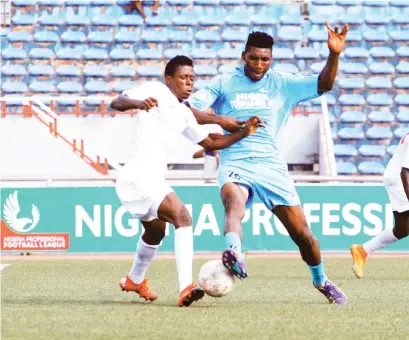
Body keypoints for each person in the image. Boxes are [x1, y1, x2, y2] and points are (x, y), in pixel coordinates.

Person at [186, 24, 349, 305]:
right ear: (243, 55)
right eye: (253, 58)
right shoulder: (224, 82)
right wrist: (221, 120)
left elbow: (324, 84)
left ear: (271, 59)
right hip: (235, 158)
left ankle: (321, 281)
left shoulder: (282, 83)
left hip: (271, 165)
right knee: (233, 202)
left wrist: (333, 55)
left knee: (304, 237)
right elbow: (188, 110)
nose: (259, 64)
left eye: (265, 59)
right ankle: (235, 253)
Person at [110, 55, 263, 307]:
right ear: (168, 79)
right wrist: (138, 103)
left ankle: (134, 280)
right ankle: (185, 288)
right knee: (182, 217)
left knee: (155, 231)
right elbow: (117, 101)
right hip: (139, 175)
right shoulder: (155, 90)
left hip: (151, 178)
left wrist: (245, 132)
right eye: (183, 77)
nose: (189, 82)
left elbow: (211, 143)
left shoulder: (183, 113)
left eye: (192, 78)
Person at [350, 131, 409, 278]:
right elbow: (405, 172)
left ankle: (362, 250)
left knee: (403, 229)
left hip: (397, 178)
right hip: (400, 180)